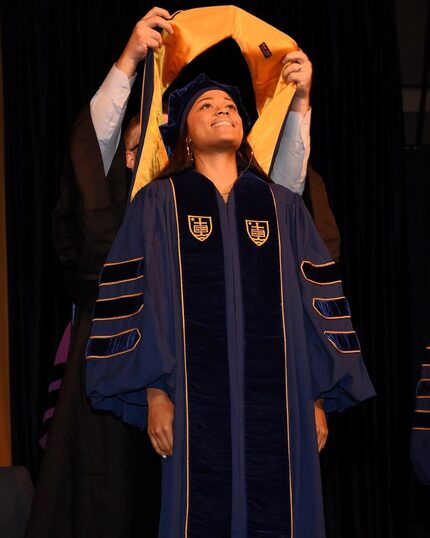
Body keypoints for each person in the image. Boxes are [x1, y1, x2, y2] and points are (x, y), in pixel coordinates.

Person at [28, 7, 317, 537]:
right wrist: (131, 58)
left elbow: (286, 200)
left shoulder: (233, 202)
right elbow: (93, 149)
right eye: (131, 150)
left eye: (150, 148)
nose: (142, 159)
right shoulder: (128, 212)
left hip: (229, 397)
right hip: (118, 390)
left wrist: (298, 105)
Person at [86, 74, 376, 538]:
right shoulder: (160, 202)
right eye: (206, 105)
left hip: (284, 411)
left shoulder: (282, 207)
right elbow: (142, 301)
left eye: (231, 105)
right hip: (191, 405)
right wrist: (156, 393)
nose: (223, 109)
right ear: (184, 133)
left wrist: (317, 396)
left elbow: (314, 304)